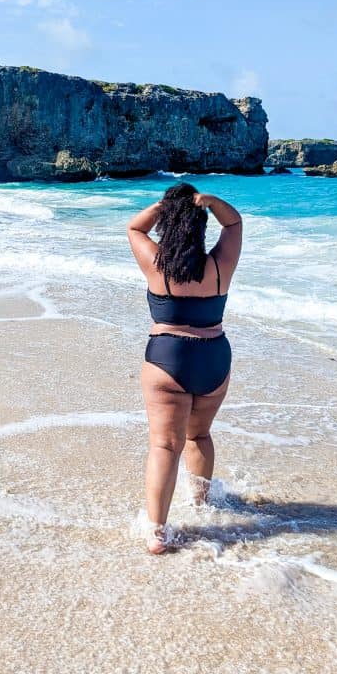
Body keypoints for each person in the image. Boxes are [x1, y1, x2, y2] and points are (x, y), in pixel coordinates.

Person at [126, 183, 243, 554]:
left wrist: (165, 206)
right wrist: (209, 202)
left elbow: (134, 228)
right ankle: (201, 504)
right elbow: (235, 224)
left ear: (169, 223)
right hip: (213, 358)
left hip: (168, 358)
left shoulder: (156, 264)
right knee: (199, 436)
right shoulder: (219, 265)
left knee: (164, 445)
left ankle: (157, 533)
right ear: (200, 225)